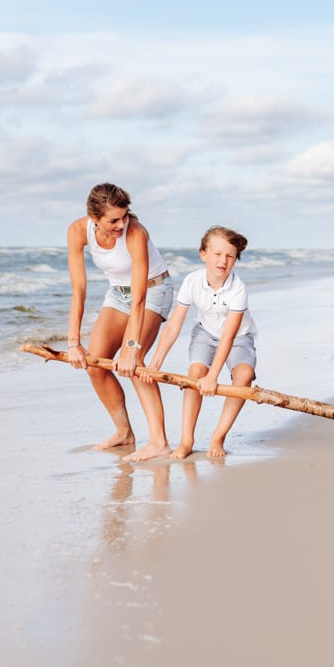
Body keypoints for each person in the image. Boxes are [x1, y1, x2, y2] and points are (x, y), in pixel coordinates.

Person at [66, 182, 174, 460]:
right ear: (94, 218)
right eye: (113, 220)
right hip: (117, 294)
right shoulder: (78, 231)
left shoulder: (135, 233)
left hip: (153, 290)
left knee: (135, 364)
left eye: (124, 216)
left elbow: (139, 298)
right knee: (96, 364)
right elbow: (78, 289)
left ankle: (159, 441)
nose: (121, 224)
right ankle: (124, 432)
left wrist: (131, 345)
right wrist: (74, 342)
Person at [140, 225, 256, 459]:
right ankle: (186, 441)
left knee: (243, 377)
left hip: (238, 338)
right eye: (217, 254)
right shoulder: (192, 281)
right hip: (204, 334)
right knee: (195, 373)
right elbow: (173, 325)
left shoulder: (238, 289)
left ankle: (218, 437)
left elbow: (229, 336)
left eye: (230, 256)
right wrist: (155, 363)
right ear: (203, 254)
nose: (223, 261)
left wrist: (213, 376)